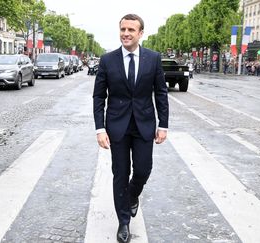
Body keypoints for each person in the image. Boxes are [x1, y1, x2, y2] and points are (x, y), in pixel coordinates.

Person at [92, 14, 169, 243]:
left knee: (143, 170)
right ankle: (123, 222)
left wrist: (163, 125)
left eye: (131, 30)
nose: (126, 33)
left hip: (145, 125)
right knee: (120, 174)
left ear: (140, 33)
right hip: (117, 127)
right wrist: (100, 129)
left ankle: (133, 195)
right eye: (123, 29)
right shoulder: (107, 60)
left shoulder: (153, 59)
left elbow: (161, 93)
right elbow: (99, 96)